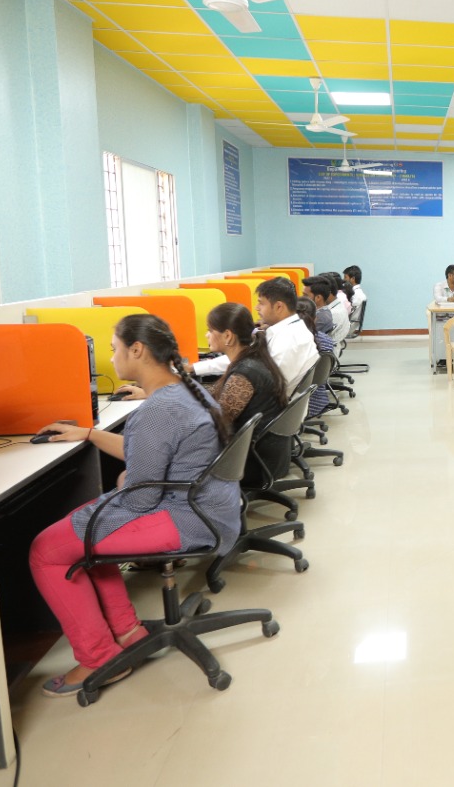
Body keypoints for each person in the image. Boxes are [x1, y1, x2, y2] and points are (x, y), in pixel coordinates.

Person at [28, 314, 239, 698]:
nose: (112, 358)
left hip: (186, 517)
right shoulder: (187, 390)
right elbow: (151, 450)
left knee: (46, 550)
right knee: (84, 530)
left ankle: (99, 658)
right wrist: (90, 434)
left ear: (137, 350)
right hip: (210, 508)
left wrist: (126, 480)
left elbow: (141, 497)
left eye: (114, 349)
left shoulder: (158, 410)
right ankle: (127, 631)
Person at [202, 302, 289, 486]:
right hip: (266, 455)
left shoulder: (245, 373)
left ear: (228, 336)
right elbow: (216, 392)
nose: (206, 335)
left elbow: (216, 422)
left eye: (210, 330)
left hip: (253, 464)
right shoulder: (251, 359)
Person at [186, 277, 316, 394]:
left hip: (271, 406)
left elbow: (264, 382)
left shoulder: (288, 340)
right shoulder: (291, 330)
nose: (256, 308)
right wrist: (194, 367)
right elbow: (242, 358)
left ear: (278, 307)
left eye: (261, 303)